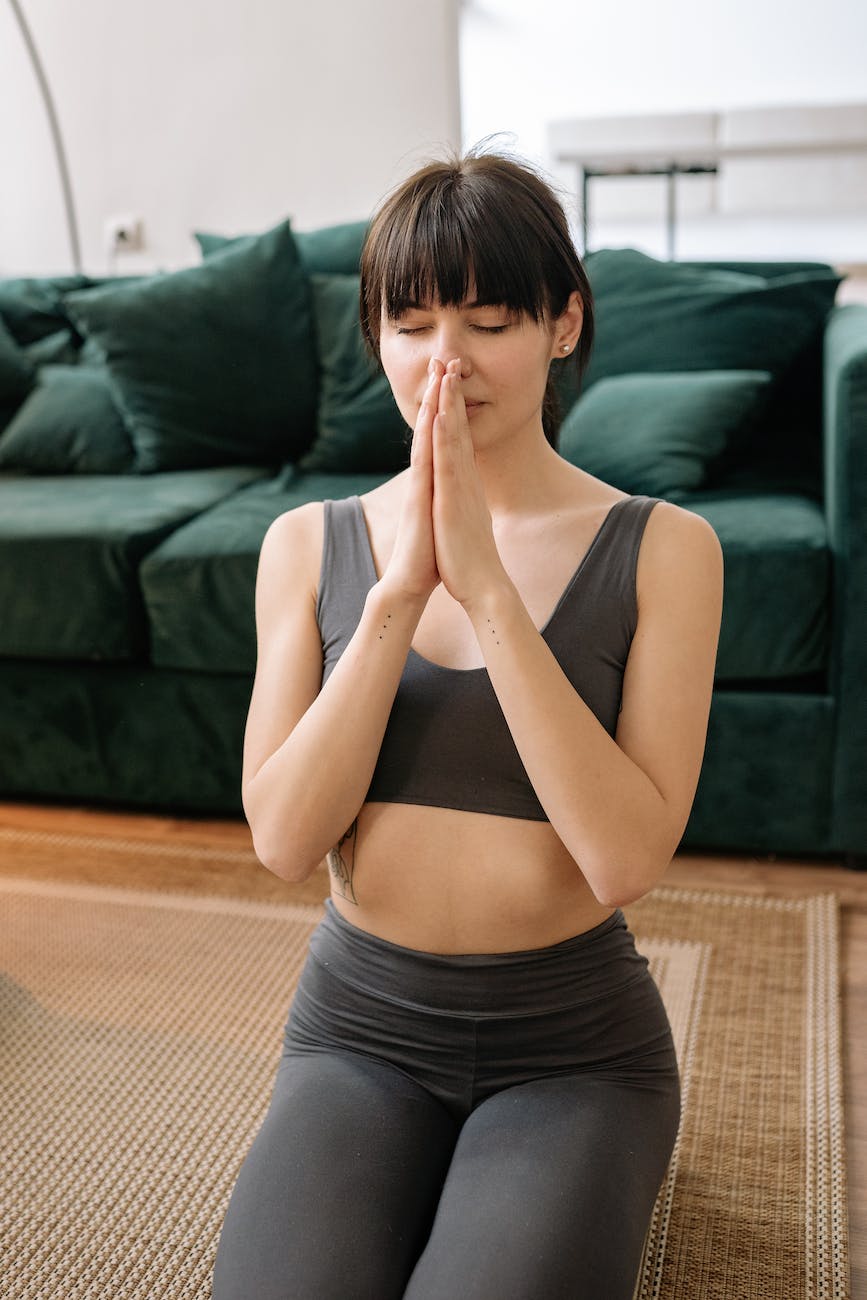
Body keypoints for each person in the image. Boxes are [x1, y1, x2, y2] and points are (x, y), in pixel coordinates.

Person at [211, 142, 724, 1300]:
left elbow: (625, 856)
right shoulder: (307, 544)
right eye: (413, 324)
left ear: (564, 324)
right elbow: (287, 842)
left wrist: (488, 591)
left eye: (490, 320)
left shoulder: (667, 551)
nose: (449, 360)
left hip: (575, 1052)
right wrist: (400, 594)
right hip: (357, 1032)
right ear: (377, 338)